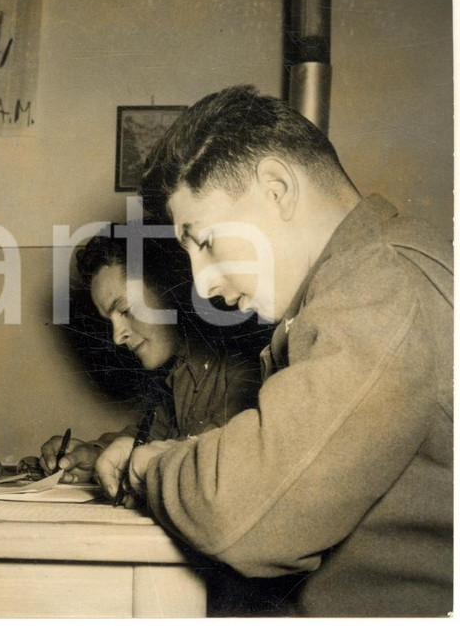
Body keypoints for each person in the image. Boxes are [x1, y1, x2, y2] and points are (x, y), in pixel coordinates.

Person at [96, 85, 453, 616]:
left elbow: (239, 514)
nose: (202, 284)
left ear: (278, 188)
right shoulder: (371, 274)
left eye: (204, 241)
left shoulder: (380, 286)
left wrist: (152, 468)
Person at [39, 227, 262, 486]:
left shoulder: (244, 369)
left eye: (124, 310)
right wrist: (95, 454)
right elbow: (150, 437)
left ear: (168, 289)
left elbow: (220, 456)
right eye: (110, 321)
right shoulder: (180, 372)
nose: (117, 336)